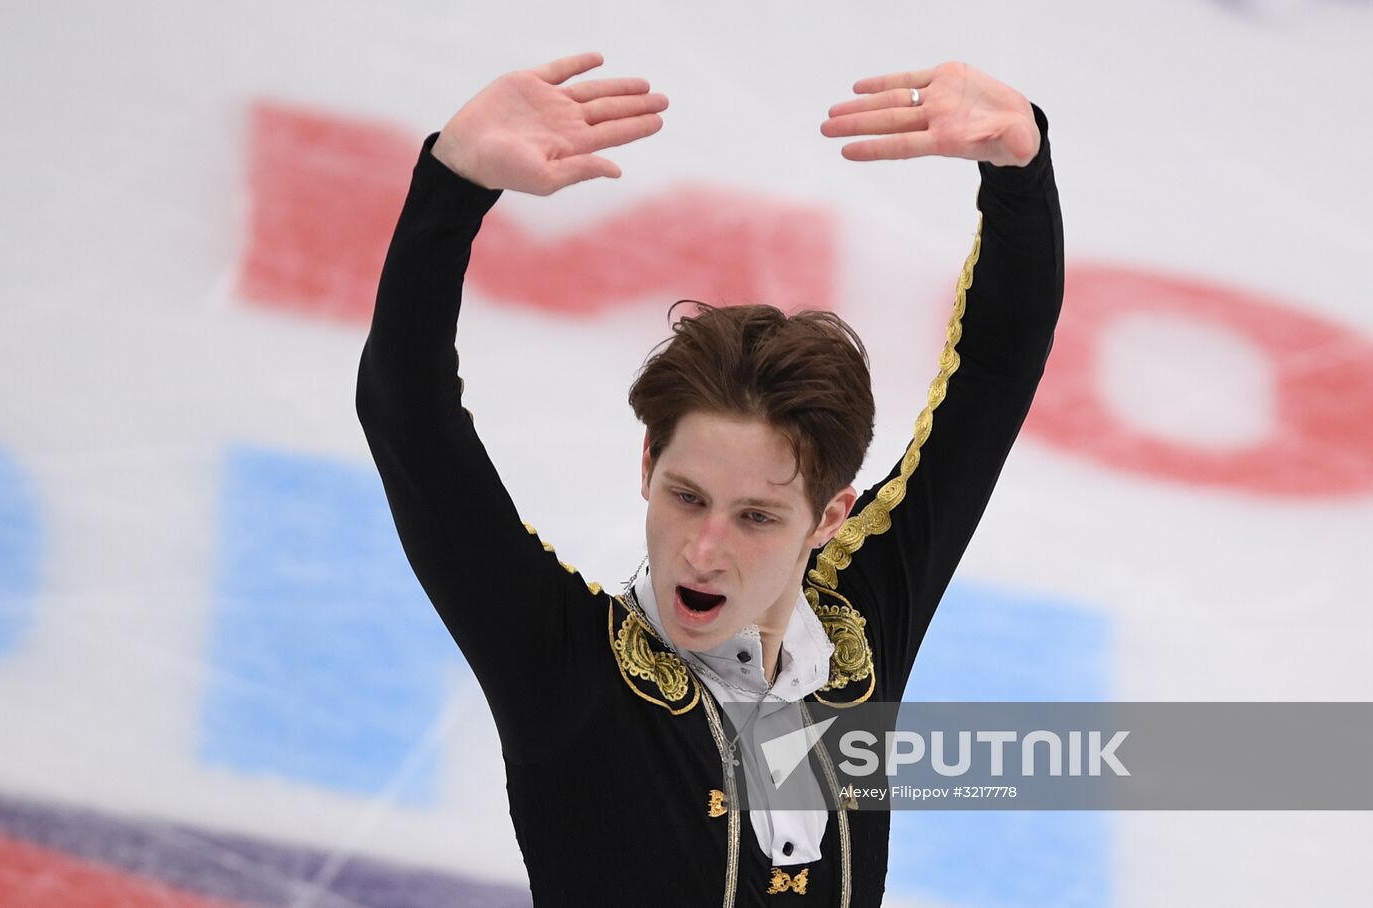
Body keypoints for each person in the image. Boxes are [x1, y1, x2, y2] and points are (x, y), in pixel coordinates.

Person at [356, 52, 1062, 907]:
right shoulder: (570, 673)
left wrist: (1020, 173)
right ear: (647, 464)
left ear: (828, 518)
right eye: (686, 495)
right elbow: (410, 420)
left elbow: (988, 383)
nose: (703, 547)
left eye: (758, 518)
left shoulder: (857, 633)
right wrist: (452, 186)